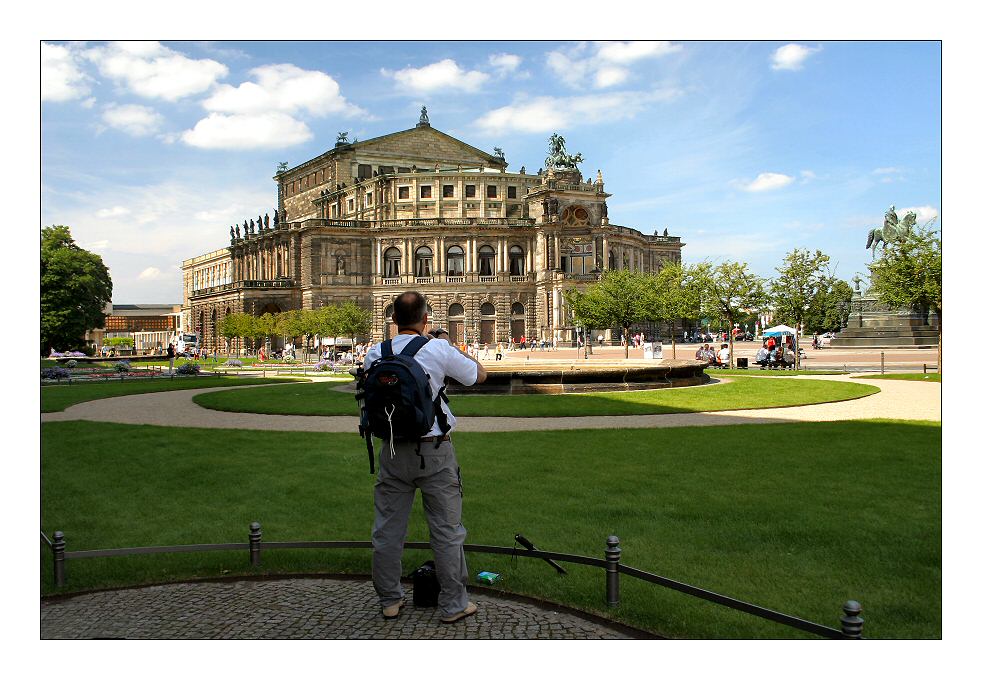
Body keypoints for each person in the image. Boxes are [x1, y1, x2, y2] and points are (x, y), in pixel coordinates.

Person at [363, 291, 487, 624]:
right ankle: (453, 604)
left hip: (390, 450)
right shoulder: (436, 348)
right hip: (434, 450)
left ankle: (389, 599)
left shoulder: (376, 353)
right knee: (446, 530)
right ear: (426, 319)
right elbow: (479, 375)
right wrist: (448, 346)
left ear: (393, 319)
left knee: (387, 530)